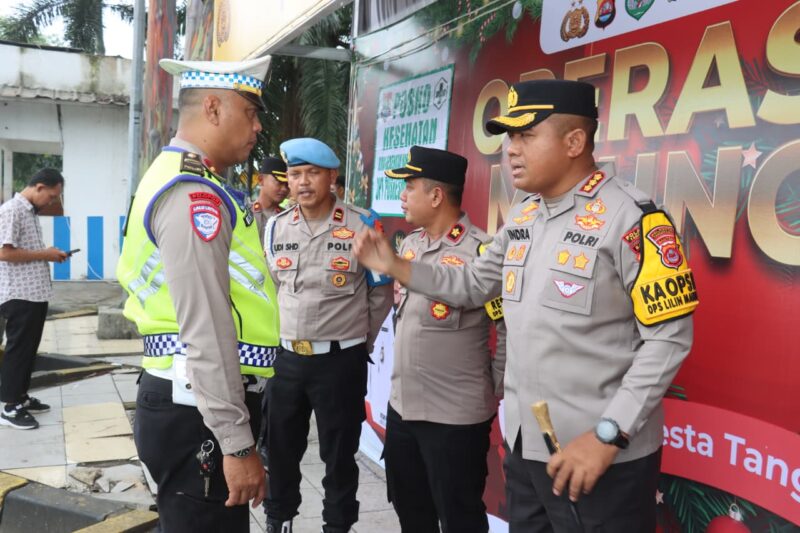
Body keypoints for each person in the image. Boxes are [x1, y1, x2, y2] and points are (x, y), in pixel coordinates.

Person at [354, 79, 698, 531]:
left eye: (525, 135)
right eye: (509, 137)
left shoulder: (632, 218)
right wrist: (397, 266)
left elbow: (669, 339)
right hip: (527, 450)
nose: (511, 150)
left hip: (600, 459)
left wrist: (608, 434)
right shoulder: (524, 214)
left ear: (574, 142)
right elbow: (473, 283)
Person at [116, 55, 280, 532]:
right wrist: (237, 443)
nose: (257, 127)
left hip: (192, 401)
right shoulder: (194, 193)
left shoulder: (185, 177)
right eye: (249, 112)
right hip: (197, 410)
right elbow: (206, 327)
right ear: (212, 107)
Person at [263, 138, 393, 533]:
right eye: (295, 174)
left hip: (340, 361)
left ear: (332, 176)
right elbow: (276, 287)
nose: (302, 182)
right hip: (287, 360)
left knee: (338, 455)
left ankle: (337, 525)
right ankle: (279, 519)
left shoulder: (363, 224)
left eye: (312, 173)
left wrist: (358, 343)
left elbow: (380, 291)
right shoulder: (276, 226)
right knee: (280, 449)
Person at [381, 145, 506, 532]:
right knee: (411, 513)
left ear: (436, 195)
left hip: (454, 417)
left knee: (460, 519)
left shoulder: (481, 252)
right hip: (403, 409)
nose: (403, 196)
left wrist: (495, 385)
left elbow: (505, 328)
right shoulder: (410, 246)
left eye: (410, 187)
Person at [0, 168, 67, 430]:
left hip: (34, 294)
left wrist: (49, 254)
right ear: (39, 187)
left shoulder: (29, 212)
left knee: (29, 350)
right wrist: (45, 254)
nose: (50, 202)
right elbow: (4, 253)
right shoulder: (12, 210)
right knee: (19, 351)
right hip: (19, 294)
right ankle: (9, 406)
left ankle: (20, 396)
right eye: (50, 196)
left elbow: (26, 251)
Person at [253, 156, 289, 238]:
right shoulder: (244, 213)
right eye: (279, 182)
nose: (284, 189)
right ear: (261, 180)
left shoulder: (288, 218)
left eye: (287, 185)